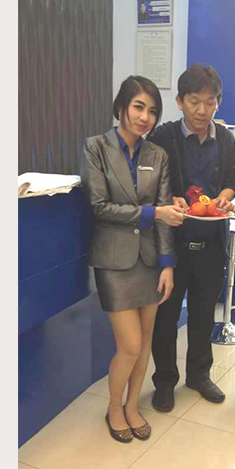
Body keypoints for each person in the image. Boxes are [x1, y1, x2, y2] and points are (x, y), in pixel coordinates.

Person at [80, 76, 187, 443]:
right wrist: (153, 213)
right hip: (113, 260)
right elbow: (100, 207)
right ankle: (114, 408)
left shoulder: (157, 155)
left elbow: (167, 211)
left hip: (151, 261)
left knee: (145, 342)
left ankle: (132, 406)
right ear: (121, 107)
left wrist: (168, 264)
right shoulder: (96, 147)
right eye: (138, 107)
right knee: (129, 345)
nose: (145, 117)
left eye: (152, 111)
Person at [147, 64, 235, 412]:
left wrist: (225, 197)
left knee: (204, 314)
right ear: (179, 101)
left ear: (218, 102)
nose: (202, 110)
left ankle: (199, 375)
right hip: (172, 246)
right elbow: (150, 186)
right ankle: (165, 381)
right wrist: (168, 198)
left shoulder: (225, 139)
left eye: (210, 102)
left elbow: (234, 178)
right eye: (194, 102)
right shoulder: (163, 137)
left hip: (212, 243)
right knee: (166, 318)